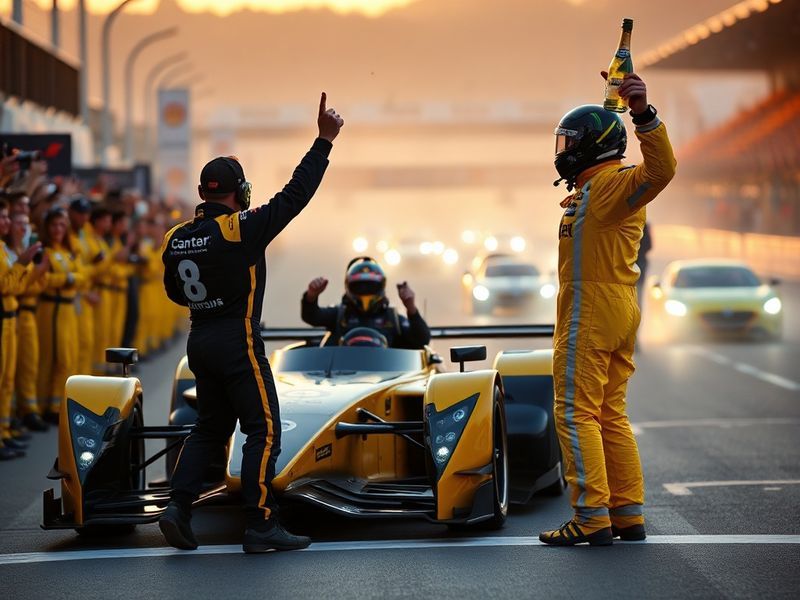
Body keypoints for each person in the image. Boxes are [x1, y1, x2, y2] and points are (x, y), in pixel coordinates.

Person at [159, 92, 343, 553]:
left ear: (202, 192)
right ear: (238, 192)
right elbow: (294, 195)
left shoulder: (175, 237)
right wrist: (323, 141)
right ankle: (262, 522)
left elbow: (173, 292)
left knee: (208, 427)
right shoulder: (239, 227)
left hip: (198, 337)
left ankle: (178, 508)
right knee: (263, 428)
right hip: (236, 339)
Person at [539, 71, 676, 546]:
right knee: (610, 414)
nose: (562, 149)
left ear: (590, 146)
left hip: (594, 313)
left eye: (568, 141)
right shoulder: (595, 190)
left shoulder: (611, 186)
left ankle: (591, 516)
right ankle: (626, 513)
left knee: (575, 413)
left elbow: (660, 172)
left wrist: (642, 114)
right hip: (616, 308)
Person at [301, 257, 431, 349]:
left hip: (386, 380)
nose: (365, 291)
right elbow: (312, 316)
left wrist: (411, 307)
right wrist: (312, 295)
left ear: (382, 286)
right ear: (348, 287)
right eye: (360, 286)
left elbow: (422, 340)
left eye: (370, 286)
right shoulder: (340, 315)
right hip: (343, 379)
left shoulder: (393, 319)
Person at [0, 199, 43, 459]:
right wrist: (23, 262)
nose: (6, 223)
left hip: (10, 318)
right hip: (4, 317)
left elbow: (16, 287)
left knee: (7, 380)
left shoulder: (5, 249)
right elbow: (5, 285)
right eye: (3, 218)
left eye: (8, 218)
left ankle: (4, 432)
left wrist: (23, 265)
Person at [36, 207, 86, 424]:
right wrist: (67, 279)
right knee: (55, 357)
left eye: (62, 225)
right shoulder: (44, 252)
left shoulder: (66, 251)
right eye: (54, 225)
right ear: (47, 228)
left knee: (69, 356)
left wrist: (68, 278)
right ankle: (49, 406)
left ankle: (60, 403)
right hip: (52, 308)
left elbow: (81, 276)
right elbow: (43, 280)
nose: (58, 229)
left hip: (67, 308)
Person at [635, 221, 652, 311]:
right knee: (639, 294)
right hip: (640, 265)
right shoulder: (644, 225)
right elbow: (649, 246)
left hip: (632, 263)